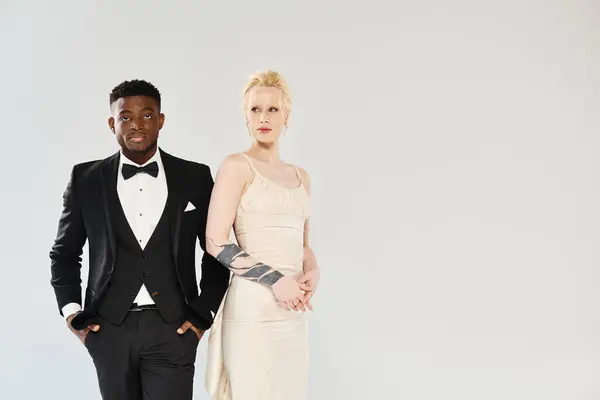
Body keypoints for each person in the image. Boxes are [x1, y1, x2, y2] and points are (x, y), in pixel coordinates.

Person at [49, 79, 230, 399]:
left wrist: (204, 313)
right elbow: (65, 253)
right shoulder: (85, 179)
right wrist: (72, 313)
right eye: (125, 117)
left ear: (160, 120)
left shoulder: (195, 176)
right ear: (112, 123)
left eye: (147, 116)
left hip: (175, 328)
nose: (136, 124)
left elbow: (215, 249)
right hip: (108, 329)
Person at [204, 70, 321, 400]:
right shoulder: (236, 166)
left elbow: (303, 245)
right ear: (245, 116)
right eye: (255, 109)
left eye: (273, 109)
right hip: (252, 309)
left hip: (293, 312)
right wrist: (275, 280)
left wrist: (314, 271)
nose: (264, 117)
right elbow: (216, 242)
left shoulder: (302, 177)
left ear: (287, 116)